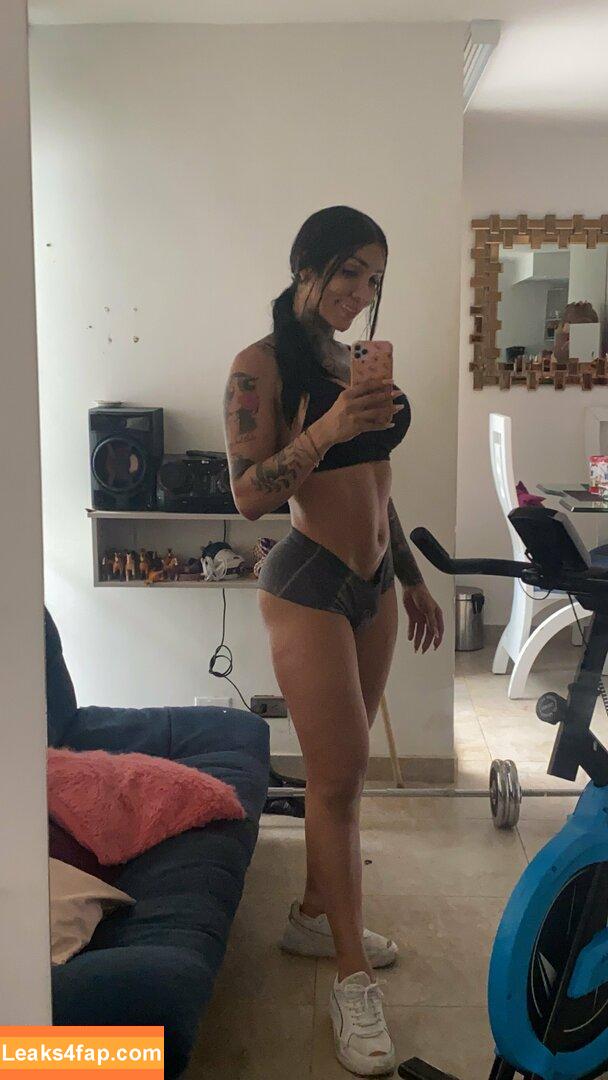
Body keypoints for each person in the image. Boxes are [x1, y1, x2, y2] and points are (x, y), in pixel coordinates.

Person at [223, 206, 444, 1077]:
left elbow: (378, 481)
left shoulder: (350, 362)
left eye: (374, 279)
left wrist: (411, 575)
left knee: (344, 779)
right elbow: (249, 496)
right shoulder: (260, 367)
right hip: (308, 582)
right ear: (305, 267)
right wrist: (331, 425)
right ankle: (353, 981)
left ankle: (316, 915)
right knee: (340, 779)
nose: (361, 291)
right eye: (349, 271)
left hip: (376, 585)